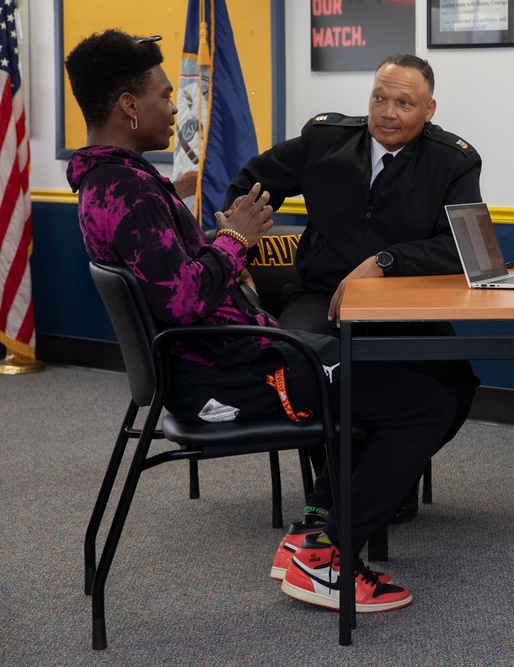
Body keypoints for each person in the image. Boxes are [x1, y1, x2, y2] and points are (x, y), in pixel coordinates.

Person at [65, 29, 456, 614]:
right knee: (429, 403)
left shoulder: (117, 183)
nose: (174, 108)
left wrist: (223, 251)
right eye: (164, 95)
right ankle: (328, 558)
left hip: (235, 355)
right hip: (227, 375)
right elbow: (183, 301)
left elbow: (179, 279)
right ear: (128, 105)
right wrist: (233, 243)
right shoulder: (127, 191)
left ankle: (313, 532)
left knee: (384, 372)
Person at [224, 54, 482, 534]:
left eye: (404, 103)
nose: (387, 112)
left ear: (429, 110)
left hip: (405, 304)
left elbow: (464, 249)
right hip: (321, 296)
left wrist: (387, 263)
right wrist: (235, 251)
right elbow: (249, 185)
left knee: (456, 385)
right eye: (379, 98)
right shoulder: (326, 140)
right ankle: (332, 490)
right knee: (301, 365)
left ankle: (389, 474)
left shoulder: (453, 160)